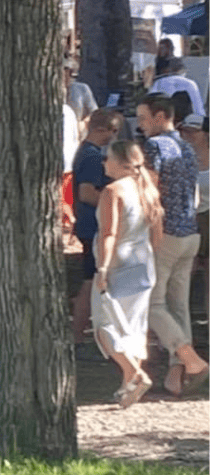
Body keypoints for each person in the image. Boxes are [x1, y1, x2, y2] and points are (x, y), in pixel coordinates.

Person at [136, 95, 208, 396]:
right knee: (178, 305)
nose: (140, 125)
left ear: (160, 116)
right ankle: (177, 375)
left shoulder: (154, 146)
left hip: (164, 232)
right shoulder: (187, 147)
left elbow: (150, 191)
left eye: (143, 118)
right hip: (189, 231)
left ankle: (191, 360)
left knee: (153, 304)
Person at [90, 141, 164, 407]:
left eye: (108, 158)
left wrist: (103, 267)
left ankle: (134, 373)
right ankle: (127, 386)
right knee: (134, 326)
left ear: (121, 163)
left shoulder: (113, 191)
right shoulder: (146, 186)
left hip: (118, 264)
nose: (104, 162)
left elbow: (108, 233)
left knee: (105, 325)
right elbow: (157, 230)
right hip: (142, 261)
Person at [71, 109, 122, 350]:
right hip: (93, 225)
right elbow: (87, 193)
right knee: (91, 281)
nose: (114, 137)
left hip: (89, 224)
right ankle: (78, 336)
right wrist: (114, 202)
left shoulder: (86, 151)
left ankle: (82, 334)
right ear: (102, 129)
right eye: (114, 131)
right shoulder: (92, 156)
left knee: (91, 279)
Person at [180, 114, 208, 321]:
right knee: (182, 277)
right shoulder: (179, 158)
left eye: (193, 131)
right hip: (188, 219)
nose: (187, 135)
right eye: (184, 131)